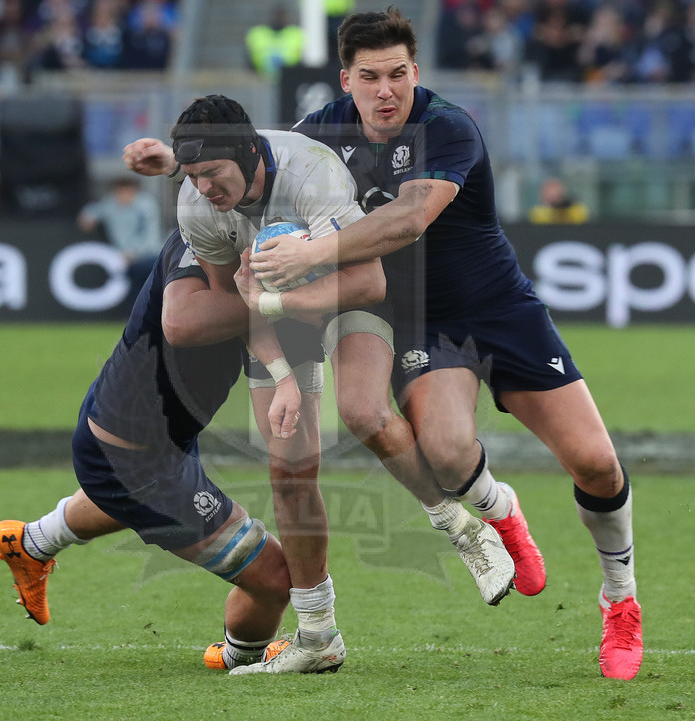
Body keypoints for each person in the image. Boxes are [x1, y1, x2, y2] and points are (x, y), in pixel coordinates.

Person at [250, 6, 642, 681]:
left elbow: (406, 220)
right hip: (422, 322)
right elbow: (251, 170)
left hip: (500, 307)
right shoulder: (314, 138)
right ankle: (502, 512)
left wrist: (312, 249)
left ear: (415, 72)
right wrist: (176, 163)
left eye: (398, 74)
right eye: (369, 77)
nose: (385, 91)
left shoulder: (448, 126)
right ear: (346, 79)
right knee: (448, 449)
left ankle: (620, 598)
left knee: (597, 464)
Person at [122, 94, 518, 674]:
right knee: (289, 467)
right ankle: (318, 636)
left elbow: (367, 282)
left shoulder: (312, 173)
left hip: (348, 291)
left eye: (212, 173)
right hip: (278, 313)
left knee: (364, 412)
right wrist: (282, 375)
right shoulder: (197, 208)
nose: (203, 187)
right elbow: (240, 299)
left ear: (250, 153)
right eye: (192, 175)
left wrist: (281, 297)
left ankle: (465, 530)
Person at [0, 229, 292, 672]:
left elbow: (253, 328)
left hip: (146, 441)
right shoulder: (198, 244)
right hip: (137, 461)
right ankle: (240, 655)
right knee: (276, 579)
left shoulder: (224, 237)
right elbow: (185, 322)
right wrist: (298, 299)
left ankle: (31, 541)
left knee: (122, 498)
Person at [77, 176, 163, 306]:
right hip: (127, 260)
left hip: (150, 256)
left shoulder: (146, 205)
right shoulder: (111, 204)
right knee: (135, 287)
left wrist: (133, 252)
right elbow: (92, 212)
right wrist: (87, 218)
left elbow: (151, 236)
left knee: (146, 284)